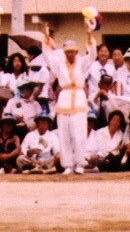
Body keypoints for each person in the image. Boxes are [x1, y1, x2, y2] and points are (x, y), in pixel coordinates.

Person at [41, 25, 97, 173]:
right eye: (67, 52)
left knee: (78, 134)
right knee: (64, 134)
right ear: (64, 53)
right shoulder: (59, 65)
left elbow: (92, 55)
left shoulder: (82, 63)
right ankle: (68, 165)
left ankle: (80, 163)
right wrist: (46, 39)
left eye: (72, 51)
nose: (70, 54)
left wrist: (90, 36)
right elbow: (47, 57)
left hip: (78, 98)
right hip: (64, 98)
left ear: (76, 52)